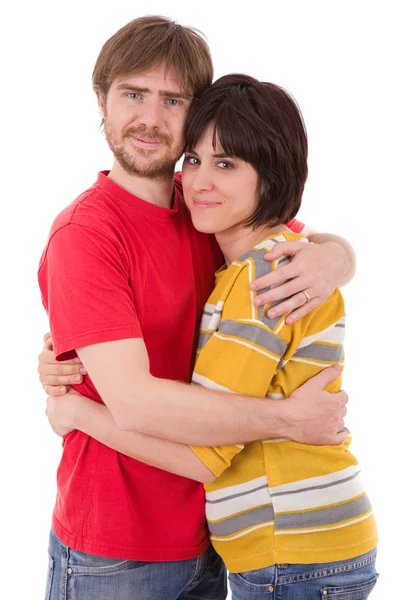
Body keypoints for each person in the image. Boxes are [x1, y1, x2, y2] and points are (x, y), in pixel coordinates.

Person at [38, 16, 355, 600]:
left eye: (173, 99)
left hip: (216, 541)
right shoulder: (86, 234)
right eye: (133, 94)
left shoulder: (206, 206)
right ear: (101, 100)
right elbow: (133, 402)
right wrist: (290, 419)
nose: (151, 119)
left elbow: (286, 239)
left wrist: (337, 257)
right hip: (116, 550)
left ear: (196, 113)